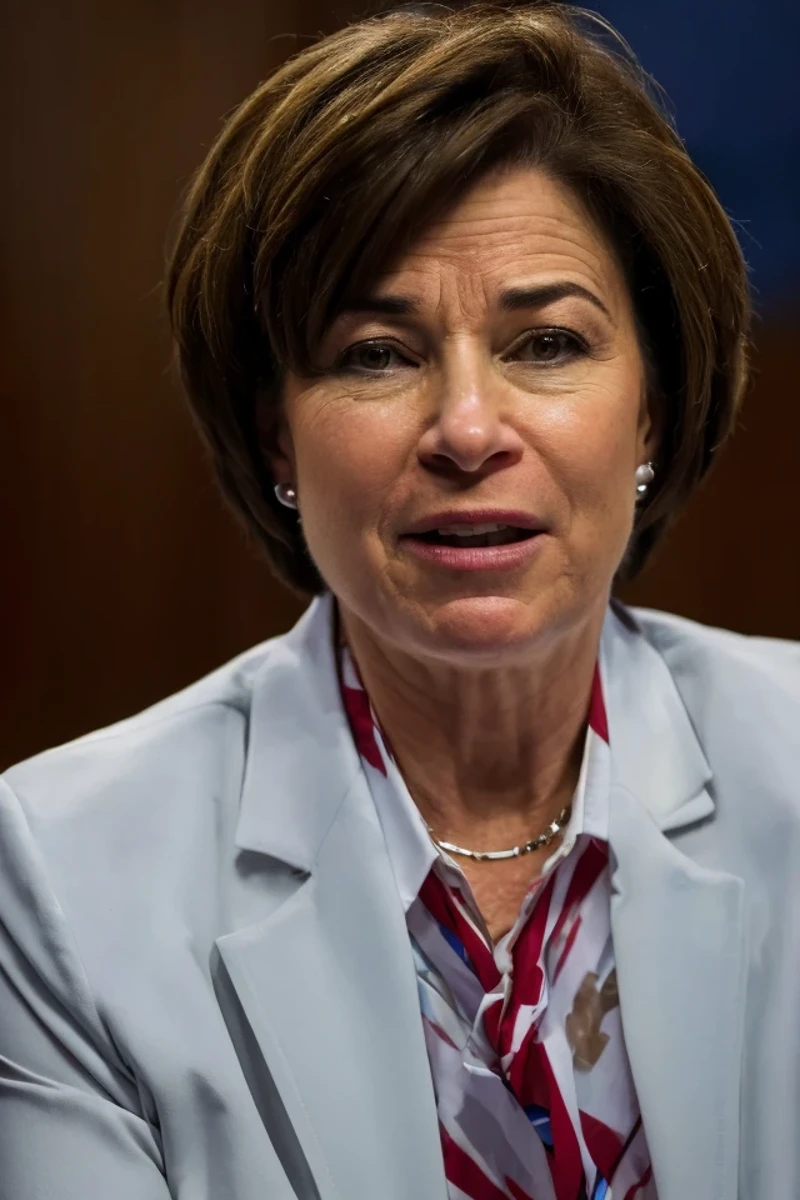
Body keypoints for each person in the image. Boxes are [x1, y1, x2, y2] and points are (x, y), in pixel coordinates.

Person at [1, 4, 797, 1198]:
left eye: (545, 344)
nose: (466, 430)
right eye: (376, 353)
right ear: (276, 435)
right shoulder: (59, 869)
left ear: (650, 409)